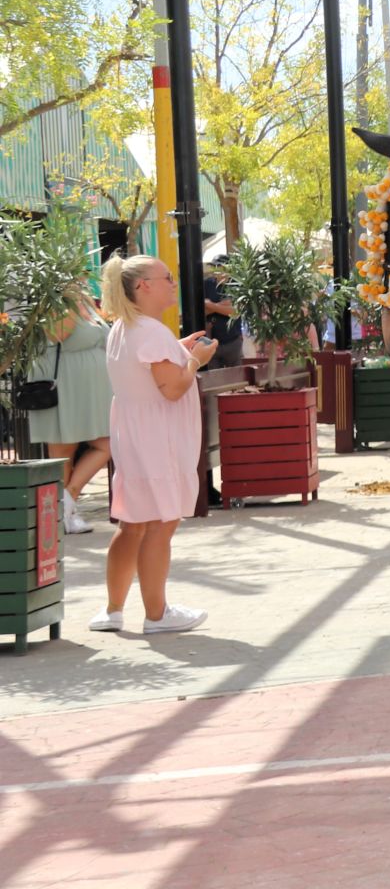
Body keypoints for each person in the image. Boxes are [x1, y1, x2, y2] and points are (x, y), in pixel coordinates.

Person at [92, 255, 215, 635]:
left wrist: (178, 349)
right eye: (166, 277)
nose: (173, 283)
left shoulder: (124, 327)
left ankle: (113, 610)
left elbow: (145, 367)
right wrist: (195, 360)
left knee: (133, 523)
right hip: (157, 439)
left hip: (134, 434)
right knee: (161, 523)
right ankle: (157, 615)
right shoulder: (149, 331)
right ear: (143, 286)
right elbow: (174, 387)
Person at [24, 280, 114, 535]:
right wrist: (70, 301)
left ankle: (67, 503)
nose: (82, 280)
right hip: (64, 385)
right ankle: (66, 510)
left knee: (106, 444)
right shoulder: (54, 303)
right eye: (75, 277)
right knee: (64, 451)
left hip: (90, 391)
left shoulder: (86, 302)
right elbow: (58, 334)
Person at [203, 256, 242, 370]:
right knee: (214, 380)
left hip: (233, 340)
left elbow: (235, 312)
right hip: (211, 341)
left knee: (235, 378)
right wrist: (223, 305)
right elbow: (201, 310)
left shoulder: (237, 285)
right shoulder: (207, 284)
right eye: (213, 266)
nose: (215, 269)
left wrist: (211, 305)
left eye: (218, 266)